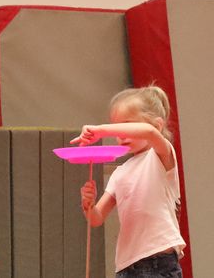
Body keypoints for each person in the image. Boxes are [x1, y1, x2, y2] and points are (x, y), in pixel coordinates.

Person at [75, 86, 185, 278]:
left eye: (125, 126)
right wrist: (88, 204)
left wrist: (101, 130)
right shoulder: (119, 173)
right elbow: (96, 218)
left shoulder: (160, 156)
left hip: (158, 263)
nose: (120, 134)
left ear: (158, 126)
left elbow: (149, 133)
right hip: (126, 267)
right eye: (116, 128)